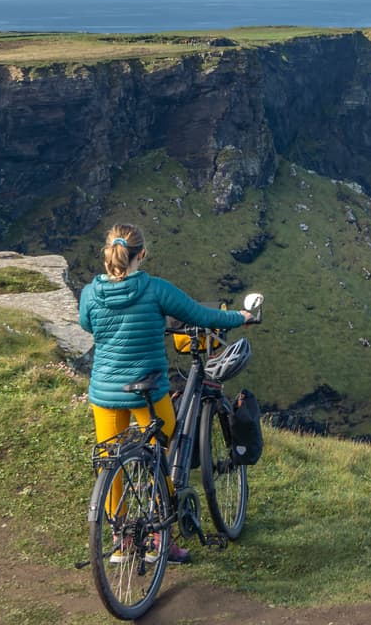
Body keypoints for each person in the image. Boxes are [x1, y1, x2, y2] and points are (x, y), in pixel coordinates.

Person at [78, 222, 259, 563]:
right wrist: (240, 317)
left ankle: (121, 543)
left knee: (110, 461)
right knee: (168, 450)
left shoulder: (91, 293)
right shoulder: (155, 289)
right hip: (148, 390)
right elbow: (198, 314)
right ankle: (163, 540)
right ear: (141, 254)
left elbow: (87, 324)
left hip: (105, 392)